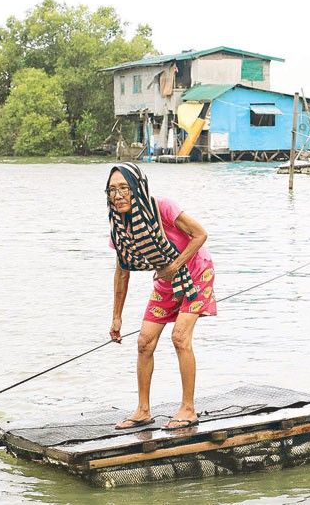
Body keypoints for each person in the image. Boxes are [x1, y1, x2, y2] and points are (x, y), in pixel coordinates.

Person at [106, 163, 216, 430]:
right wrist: (116, 318)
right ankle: (143, 410)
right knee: (144, 342)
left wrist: (174, 266)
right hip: (165, 282)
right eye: (112, 190)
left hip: (196, 274)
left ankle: (188, 409)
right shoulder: (120, 229)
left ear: (137, 190)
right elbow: (122, 271)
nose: (118, 195)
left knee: (179, 337)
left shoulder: (162, 208)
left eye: (124, 188)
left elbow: (200, 234)